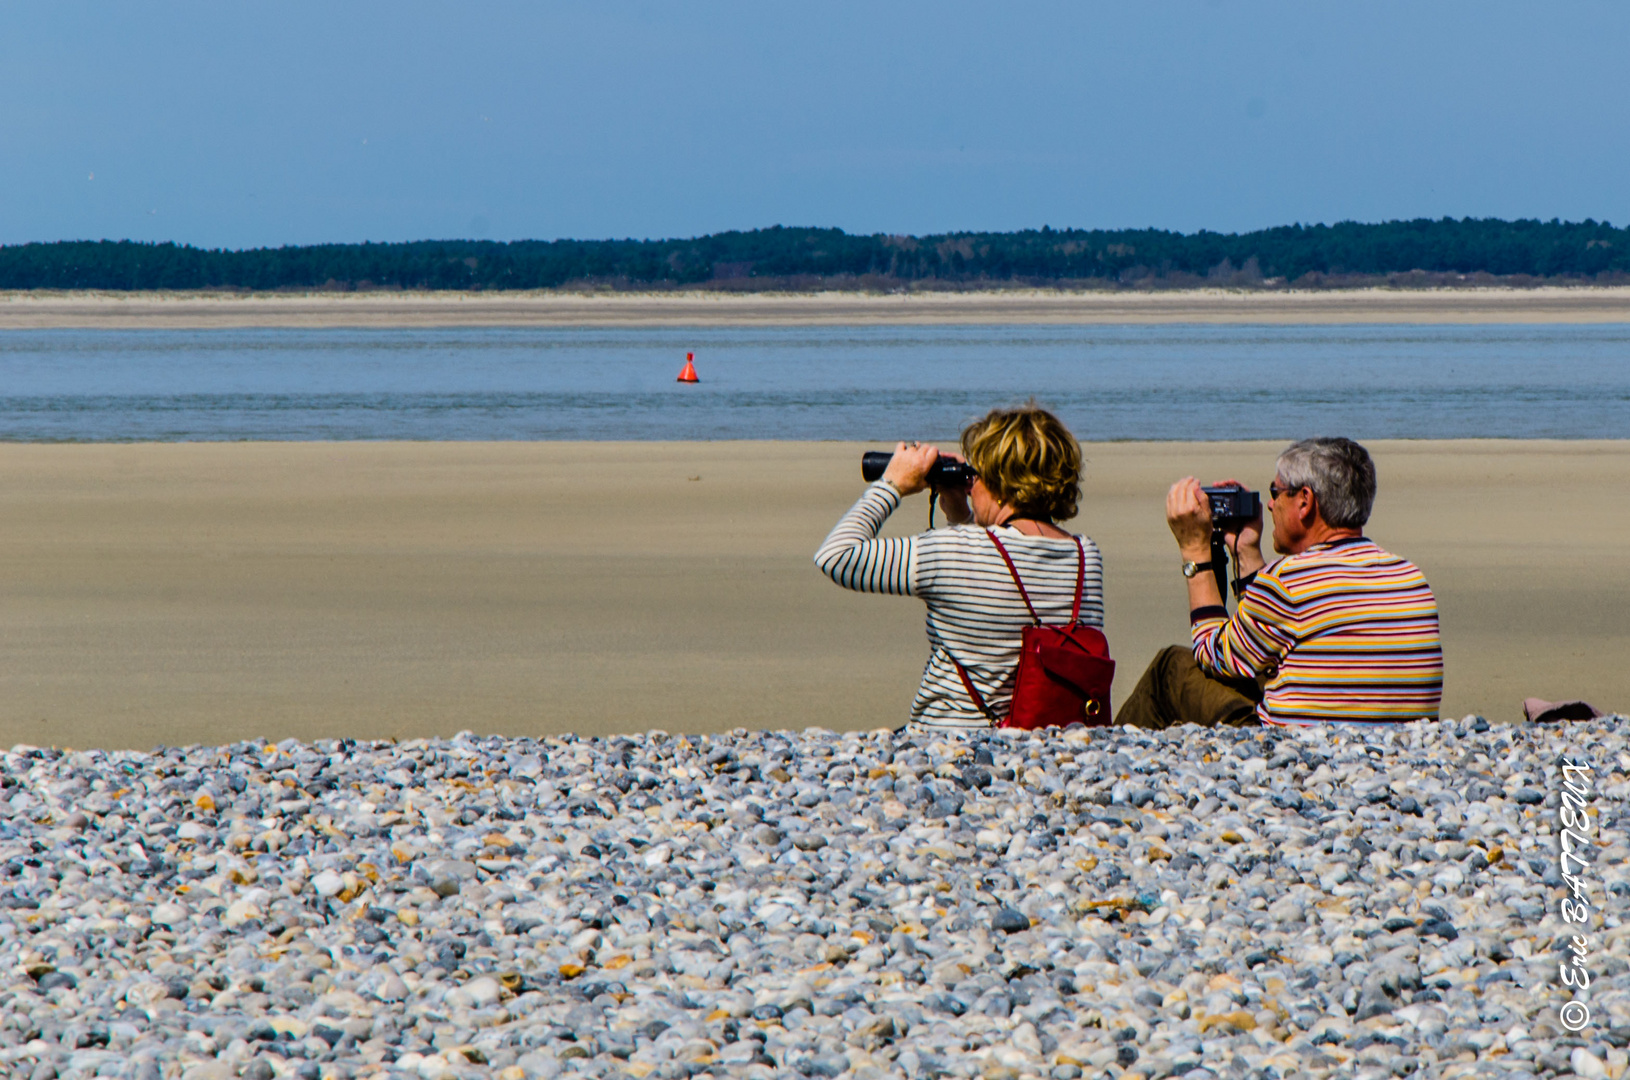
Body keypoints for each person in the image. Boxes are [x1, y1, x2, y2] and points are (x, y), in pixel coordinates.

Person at [1116, 437, 1442, 728]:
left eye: (1276, 492)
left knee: (1170, 668)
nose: (1270, 504)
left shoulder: (1287, 579)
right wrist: (1246, 549)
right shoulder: (1409, 575)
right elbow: (1263, 643)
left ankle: (1108, 754)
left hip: (1299, 751)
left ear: (1304, 501)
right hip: (1399, 744)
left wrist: (1195, 551)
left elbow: (1214, 656)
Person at [814, 405, 1104, 730]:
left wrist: (891, 485)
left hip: (950, 738)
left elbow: (835, 556)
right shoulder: (1085, 556)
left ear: (1000, 482)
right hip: (1045, 733)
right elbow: (1006, 559)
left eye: (975, 475)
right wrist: (960, 514)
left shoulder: (953, 550)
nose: (970, 484)